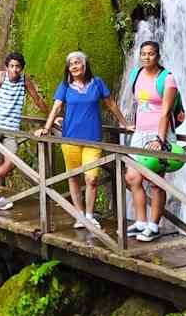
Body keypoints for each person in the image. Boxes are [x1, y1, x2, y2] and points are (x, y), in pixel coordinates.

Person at [35, 51, 132, 229]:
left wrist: (125, 124)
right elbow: (56, 108)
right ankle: (79, 215)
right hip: (70, 138)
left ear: (85, 65)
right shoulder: (65, 86)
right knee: (73, 177)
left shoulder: (97, 83)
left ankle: (89, 214)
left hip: (93, 139)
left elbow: (111, 104)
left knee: (92, 178)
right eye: (71, 64)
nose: (74, 66)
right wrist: (46, 128)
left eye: (77, 62)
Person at [0, 52, 49, 210]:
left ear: (22, 68)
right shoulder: (1, 76)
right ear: (7, 67)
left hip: (11, 130)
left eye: (18, 67)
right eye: (12, 66)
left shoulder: (25, 81)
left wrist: (51, 116)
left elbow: (37, 100)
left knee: (11, 161)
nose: (15, 70)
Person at [125, 41, 179, 242]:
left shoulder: (168, 79)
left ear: (158, 56)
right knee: (132, 177)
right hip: (140, 132)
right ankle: (141, 222)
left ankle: (154, 226)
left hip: (160, 134)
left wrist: (160, 139)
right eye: (143, 54)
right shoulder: (136, 75)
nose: (147, 57)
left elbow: (165, 112)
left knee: (156, 181)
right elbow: (138, 105)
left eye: (151, 54)